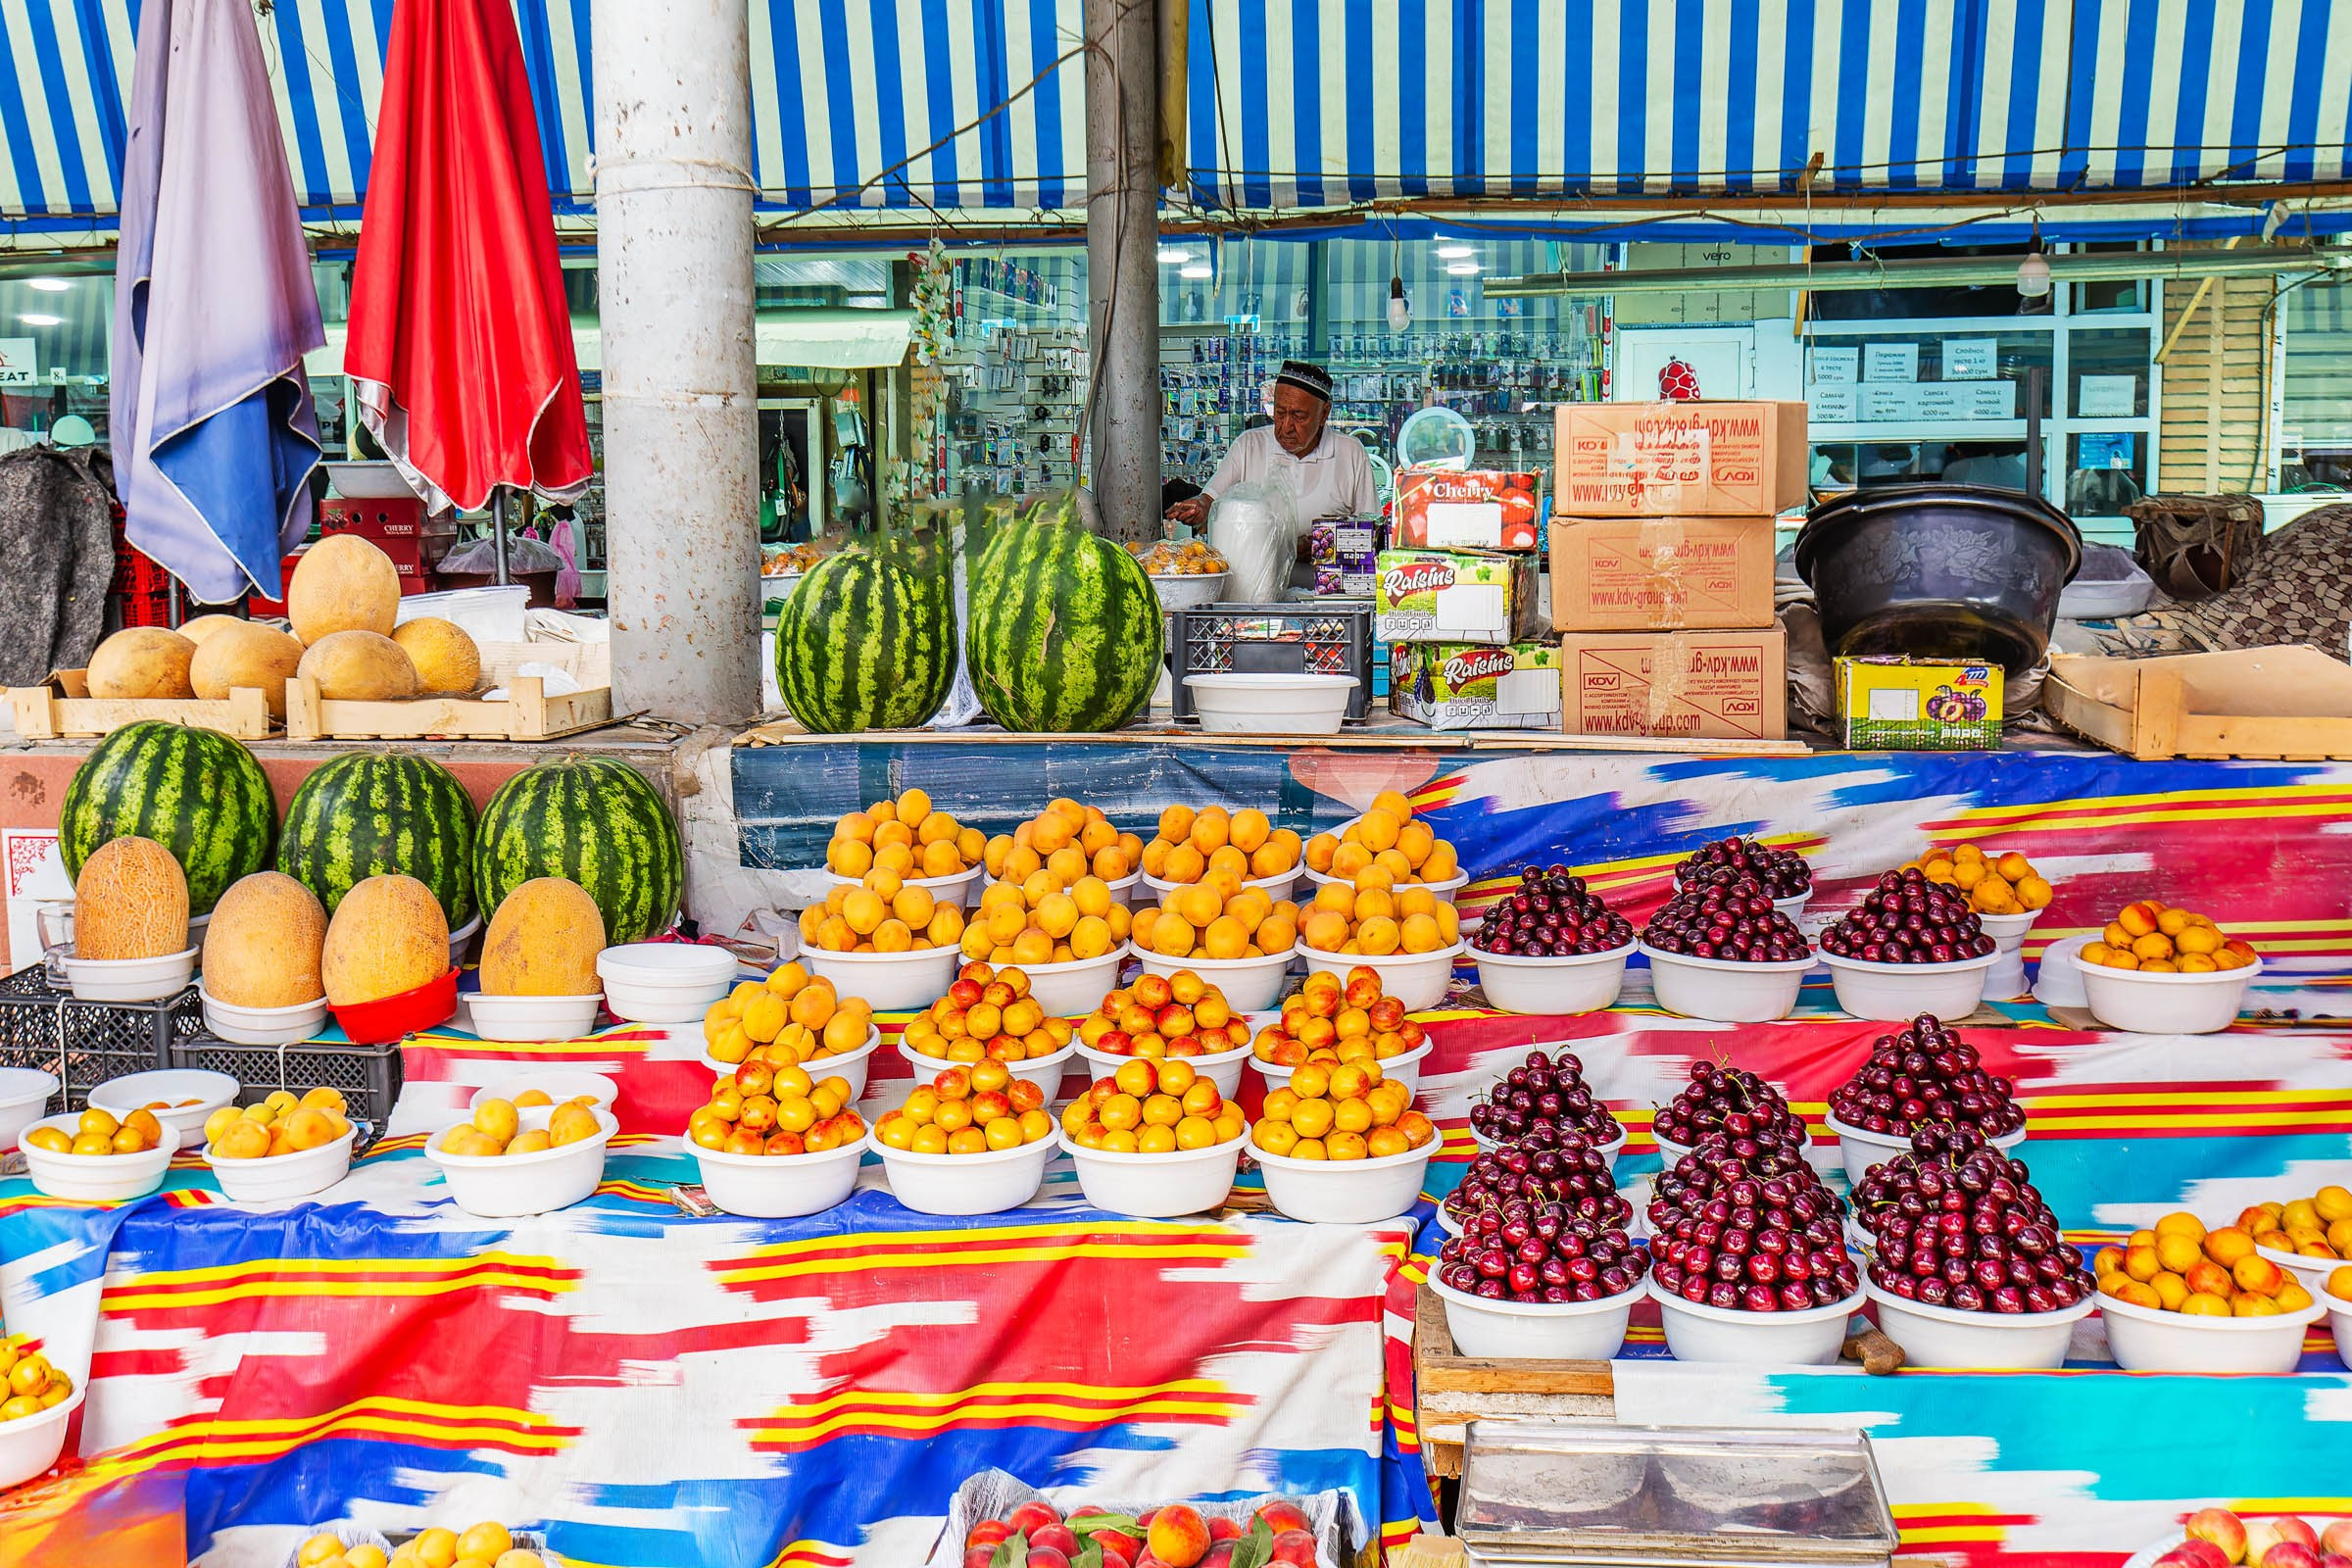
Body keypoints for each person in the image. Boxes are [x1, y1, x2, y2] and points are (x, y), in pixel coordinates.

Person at [1163, 361, 1378, 528]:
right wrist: (1199, 506)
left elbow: (1371, 528)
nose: (1286, 426)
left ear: (1324, 414)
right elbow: (1210, 498)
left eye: (1298, 416)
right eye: (1280, 413)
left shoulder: (1350, 453)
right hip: (1252, 575)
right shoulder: (1249, 446)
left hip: (1325, 574)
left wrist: (1324, 543)